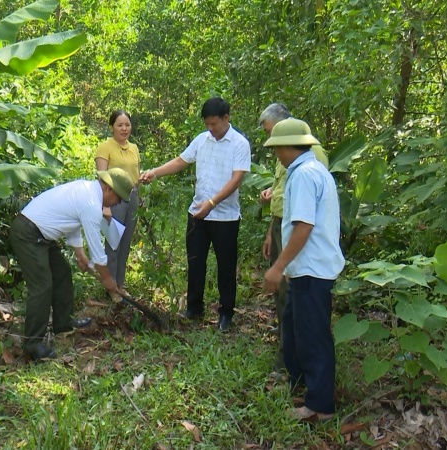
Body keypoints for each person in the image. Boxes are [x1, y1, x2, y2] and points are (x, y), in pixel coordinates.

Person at [140, 97, 251, 332]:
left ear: (226, 118)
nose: (210, 128)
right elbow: (182, 161)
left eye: (214, 124)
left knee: (226, 266)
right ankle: (194, 307)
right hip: (198, 214)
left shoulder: (240, 144)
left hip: (225, 217)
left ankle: (226, 313)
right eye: (207, 124)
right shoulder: (202, 140)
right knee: (195, 261)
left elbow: (237, 178)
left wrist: (212, 202)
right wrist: (155, 172)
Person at [262, 118, 345, 422]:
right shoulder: (312, 171)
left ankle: (320, 405)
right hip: (304, 268)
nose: (276, 155)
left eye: (277, 148)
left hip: (313, 269)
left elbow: (303, 226)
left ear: (287, 146)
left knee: (313, 336)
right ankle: (300, 385)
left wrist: (278, 266)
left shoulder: (304, 176)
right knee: (295, 329)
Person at [10, 169, 133, 361]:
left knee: (63, 273)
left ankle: (63, 323)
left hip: (42, 235)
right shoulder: (92, 203)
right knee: (42, 286)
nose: (117, 203)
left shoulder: (87, 192)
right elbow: (98, 253)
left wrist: (80, 255)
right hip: (28, 234)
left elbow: (71, 223)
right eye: (118, 198)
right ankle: (33, 344)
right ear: (108, 188)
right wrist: (109, 280)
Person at [257, 104, 329, 371]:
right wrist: (271, 232)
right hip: (283, 227)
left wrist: (278, 266)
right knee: (284, 300)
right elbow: (282, 196)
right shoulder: (290, 158)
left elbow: (306, 217)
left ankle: (290, 362)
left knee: (295, 300)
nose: (271, 145)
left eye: (271, 134)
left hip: (303, 241)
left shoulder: (310, 161)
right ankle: (288, 353)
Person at [95, 110, 140, 297]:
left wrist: (140, 197)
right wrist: (105, 206)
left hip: (133, 197)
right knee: (113, 241)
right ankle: (111, 287)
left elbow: (136, 174)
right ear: (112, 126)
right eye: (120, 125)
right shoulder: (105, 147)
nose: (124, 129)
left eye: (127, 125)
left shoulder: (134, 148)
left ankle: (120, 285)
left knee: (126, 241)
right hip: (113, 198)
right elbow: (101, 177)